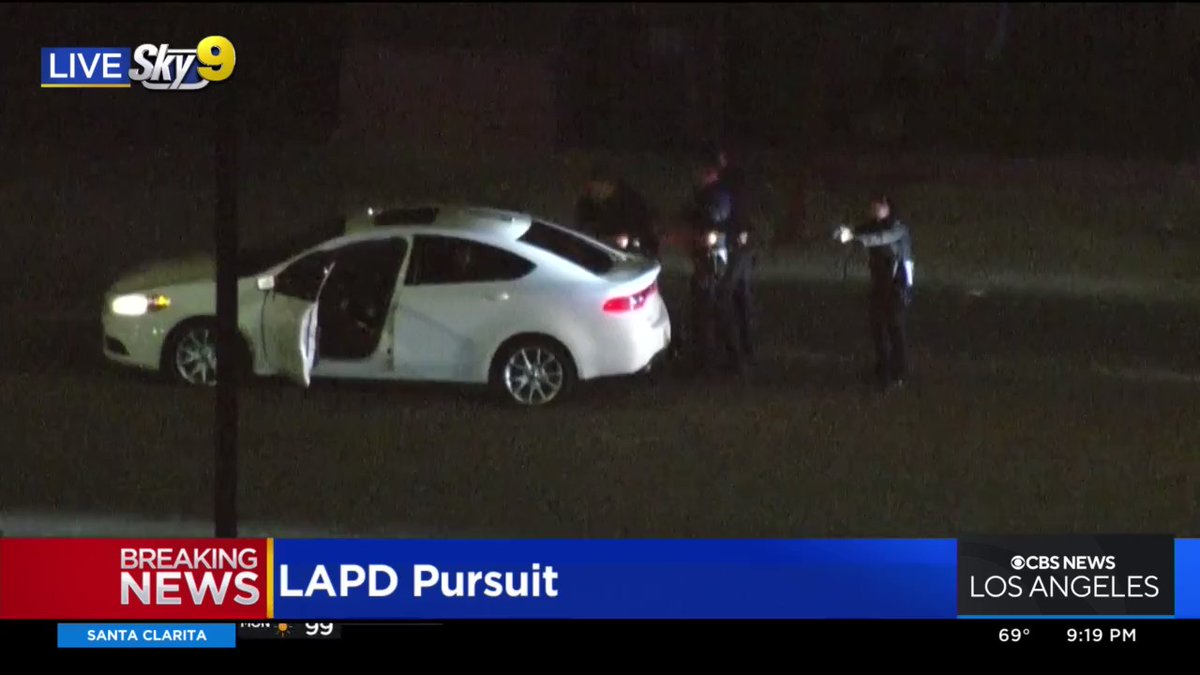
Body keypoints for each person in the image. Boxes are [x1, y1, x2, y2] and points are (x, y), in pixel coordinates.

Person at [836, 196, 914, 390]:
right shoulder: (874, 224)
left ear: (887, 207)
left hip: (898, 285)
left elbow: (881, 238)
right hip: (880, 284)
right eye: (872, 206)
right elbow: (857, 230)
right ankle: (883, 368)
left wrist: (857, 239)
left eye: (878, 205)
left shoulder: (898, 228)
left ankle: (900, 372)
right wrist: (843, 231)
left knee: (895, 328)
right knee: (877, 326)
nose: (873, 209)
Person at [686, 162, 743, 373]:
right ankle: (718, 358)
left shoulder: (716, 196)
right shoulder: (708, 194)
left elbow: (712, 228)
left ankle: (712, 360)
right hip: (710, 259)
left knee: (711, 309)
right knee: (711, 309)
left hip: (712, 261)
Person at [711, 145, 755, 364]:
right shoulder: (742, 179)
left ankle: (733, 350)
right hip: (742, 242)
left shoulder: (728, 182)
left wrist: (737, 232)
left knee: (726, 294)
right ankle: (746, 344)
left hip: (734, 243)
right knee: (742, 295)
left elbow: (731, 212)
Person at [574, 166, 659, 257]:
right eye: (593, 187)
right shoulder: (586, 203)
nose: (597, 191)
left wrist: (626, 239)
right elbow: (581, 230)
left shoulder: (631, 202)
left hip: (630, 252)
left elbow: (644, 232)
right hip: (600, 249)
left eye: (601, 187)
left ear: (611, 186)